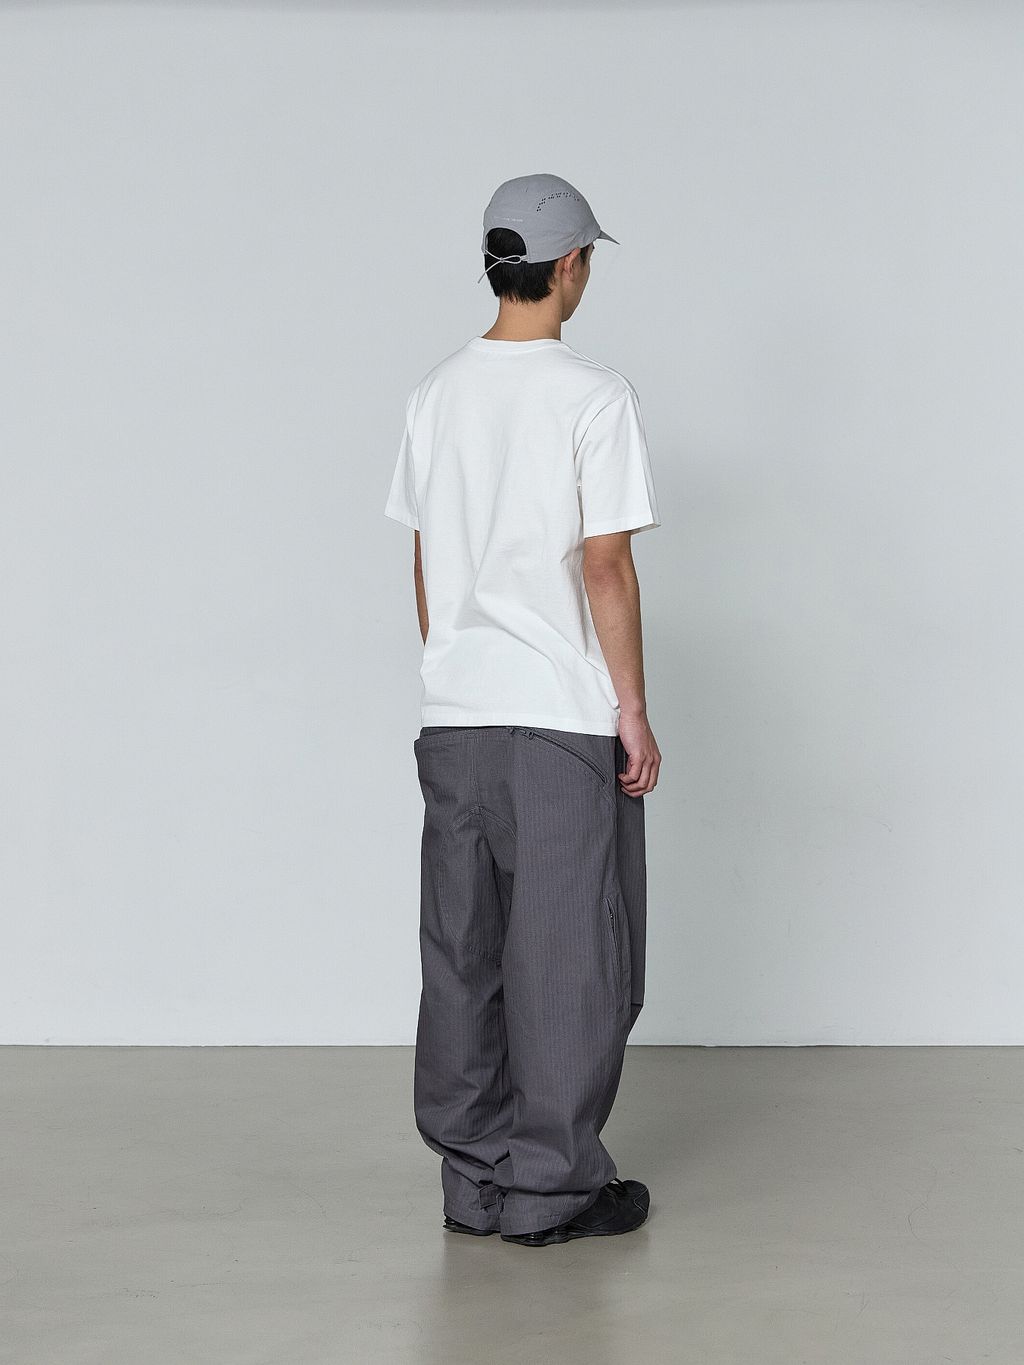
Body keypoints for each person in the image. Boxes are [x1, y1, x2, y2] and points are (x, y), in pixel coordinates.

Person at [384, 173, 662, 1248]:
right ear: (571, 265)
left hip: (455, 715)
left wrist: (455, 667)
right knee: (571, 956)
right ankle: (551, 1188)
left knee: (463, 952)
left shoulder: (434, 393)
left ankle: (474, 1182)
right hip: (557, 718)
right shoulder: (593, 396)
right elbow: (605, 567)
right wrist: (631, 710)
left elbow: (426, 560)